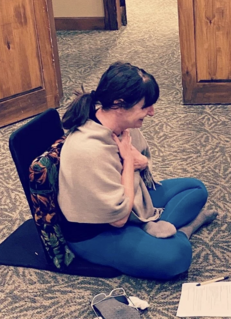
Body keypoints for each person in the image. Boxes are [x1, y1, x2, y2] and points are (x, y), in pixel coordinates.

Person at [58, 62, 218, 280]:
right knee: (177, 257)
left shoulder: (118, 125)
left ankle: (157, 228)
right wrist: (128, 163)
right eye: (146, 106)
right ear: (119, 105)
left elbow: (140, 172)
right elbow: (119, 219)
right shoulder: (88, 149)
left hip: (131, 197)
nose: (152, 112)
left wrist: (141, 162)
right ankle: (184, 230)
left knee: (195, 188)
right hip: (98, 231)